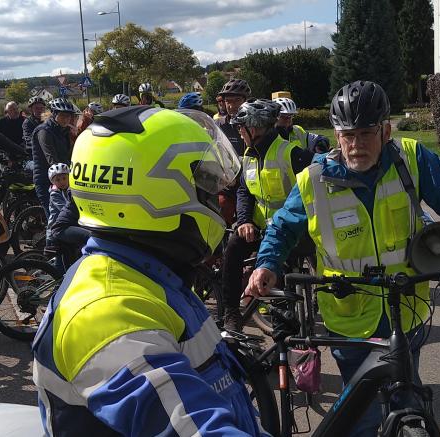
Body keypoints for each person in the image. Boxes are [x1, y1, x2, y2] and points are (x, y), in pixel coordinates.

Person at [245, 81, 440, 435]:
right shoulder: (314, 179)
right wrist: (267, 264)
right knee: (361, 415)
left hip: (405, 305)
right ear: (336, 135)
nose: (356, 144)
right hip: (350, 312)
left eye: (366, 133)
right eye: (347, 135)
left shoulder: (410, 159)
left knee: (408, 399)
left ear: (385, 130)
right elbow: (283, 227)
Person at [30, 106, 267, 436]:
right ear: (157, 191)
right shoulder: (106, 314)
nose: (215, 194)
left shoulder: (151, 275)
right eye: (206, 182)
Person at [217, 99, 313, 330]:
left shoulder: (291, 154)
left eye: (242, 126)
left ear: (256, 127)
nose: (239, 131)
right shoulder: (249, 155)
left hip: (293, 230)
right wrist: (244, 220)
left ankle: (286, 322)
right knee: (233, 247)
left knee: (285, 266)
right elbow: (244, 190)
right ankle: (231, 313)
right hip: (261, 227)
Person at [214, 78, 252, 225]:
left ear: (246, 101)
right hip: (228, 181)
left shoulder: (255, 124)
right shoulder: (218, 125)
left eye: (236, 100)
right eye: (228, 101)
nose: (231, 105)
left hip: (250, 181)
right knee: (222, 208)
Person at [30, 98, 76, 216]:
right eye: (63, 115)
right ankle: (51, 234)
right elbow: (52, 159)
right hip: (46, 180)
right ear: (54, 114)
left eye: (69, 116)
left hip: (61, 178)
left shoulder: (63, 130)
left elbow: (68, 155)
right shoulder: (44, 131)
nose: (66, 119)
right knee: (56, 218)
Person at [44, 163, 73, 268]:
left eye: (64, 178)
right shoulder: (55, 193)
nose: (62, 182)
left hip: (63, 227)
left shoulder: (67, 190)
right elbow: (64, 208)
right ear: (53, 181)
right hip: (54, 232)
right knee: (59, 263)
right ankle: (57, 283)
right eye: (58, 180)